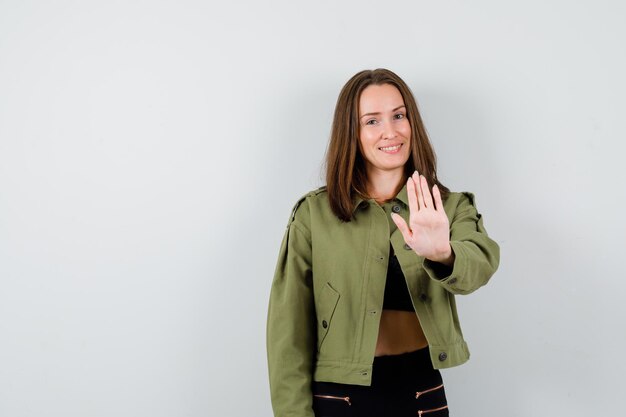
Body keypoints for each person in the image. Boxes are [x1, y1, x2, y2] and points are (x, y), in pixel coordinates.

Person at [266, 68, 500, 417]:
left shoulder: (447, 206)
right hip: (338, 399)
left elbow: (480, 264)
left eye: (399, 116)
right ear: (352, 133)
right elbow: (288, 335)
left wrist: (443, 253)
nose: (390, 131)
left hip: (422, 392)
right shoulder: (313, 215)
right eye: (371, 121)